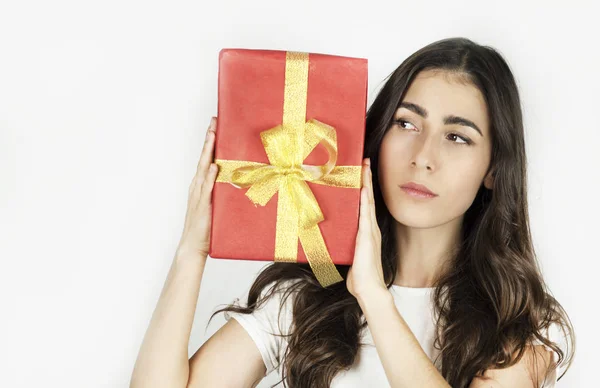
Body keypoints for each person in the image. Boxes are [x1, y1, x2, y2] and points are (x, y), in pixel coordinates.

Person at [130, 37, 575, 388]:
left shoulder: (522, 327)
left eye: (457, 137)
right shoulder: (309, 299)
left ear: (494, 170)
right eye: (406, 123)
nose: (423, 156)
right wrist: (192, 251)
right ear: (378, 136)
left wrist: (376, 299)